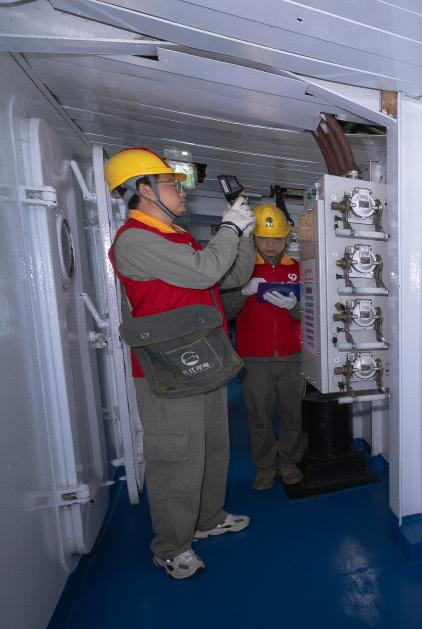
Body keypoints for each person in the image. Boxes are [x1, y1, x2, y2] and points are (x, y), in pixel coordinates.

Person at [106, 147, 255, 579]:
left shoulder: (178, 237)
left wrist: (243, 234)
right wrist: (228, 227)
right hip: (166, 370)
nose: (181, 190)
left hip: (202, 359)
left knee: (213, 447)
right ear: (143, 189)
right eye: (171, 183)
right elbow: (206, 271)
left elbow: (230, 275)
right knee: (177, 458)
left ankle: (207, 519)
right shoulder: (135, 239)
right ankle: (171, 547)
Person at [223, 204, 305, 490]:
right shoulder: (239, 270)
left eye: (277, 239)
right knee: (259, 416)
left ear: (286, 238)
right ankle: (265, 466)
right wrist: (242, 292)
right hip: (254, 357)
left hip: (293, 355)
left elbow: (314, 313)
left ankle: (289, 462)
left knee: (293, 414)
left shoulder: (298, 269)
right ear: (253, 237)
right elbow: (225, 311)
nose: (271, 245)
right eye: (264, 238)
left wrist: (295, 307)